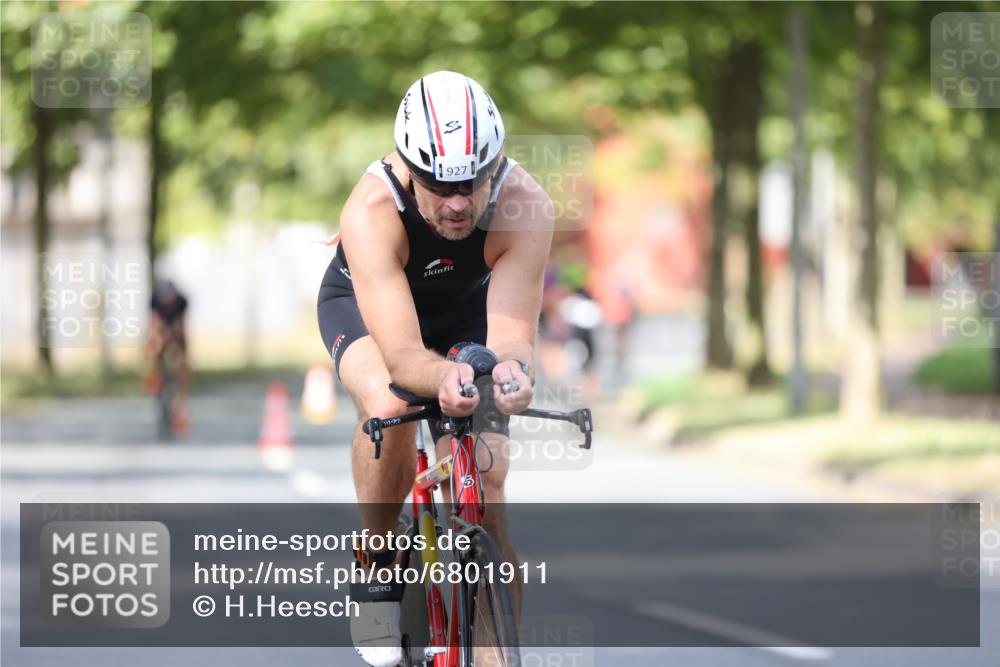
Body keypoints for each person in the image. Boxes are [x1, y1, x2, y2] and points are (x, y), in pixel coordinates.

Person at [317, 71, 553, 667]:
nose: (458, 201)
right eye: (438, 184)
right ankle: (376, 557)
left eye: (473, 182)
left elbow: (511, 335)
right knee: (393, 404)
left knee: (488, 484)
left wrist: (512, 374)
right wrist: (441, 379)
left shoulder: (526, 205)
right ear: (405, 166)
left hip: (469, 315)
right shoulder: (371, 209)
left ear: (494, 167)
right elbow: (401, 358)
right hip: (375, 313)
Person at [146, 279, 191, 437]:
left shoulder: (182, 301)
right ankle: (155, 380)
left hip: (175, 326)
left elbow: (181, 326)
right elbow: (153, 324)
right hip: (160, 327)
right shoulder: (154, 301)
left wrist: (180, 346)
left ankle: (181, 394)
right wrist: (158, 341)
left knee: (183, 360)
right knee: (153, 346)